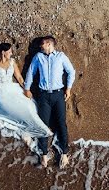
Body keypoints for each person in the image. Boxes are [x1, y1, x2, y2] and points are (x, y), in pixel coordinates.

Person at [24, 36, 75, 169]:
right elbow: (31, 72)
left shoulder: (61, 56)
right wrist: (27, 89)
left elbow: (71, 72)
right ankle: (44, 154)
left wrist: (68, 89)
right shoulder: (38, 57)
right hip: (43, 95)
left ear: (49, 44)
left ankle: (64, 152)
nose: (41, 46)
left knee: (61, 123)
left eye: (42, 44)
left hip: (58, 94)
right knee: (43, 125)